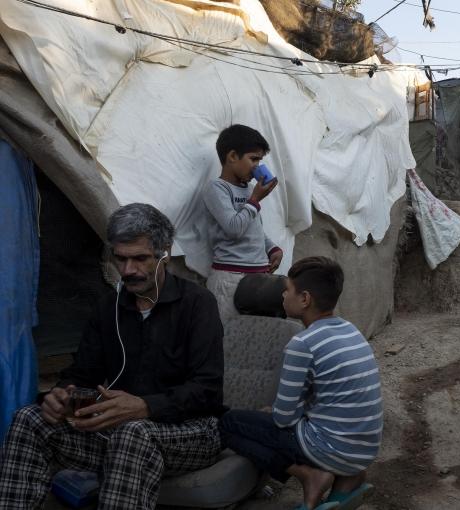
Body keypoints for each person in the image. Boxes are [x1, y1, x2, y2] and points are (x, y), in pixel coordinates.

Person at [0, 203, 226, 509]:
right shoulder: (109, 307)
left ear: (165, 254)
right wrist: (60, 395)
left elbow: (207, 391)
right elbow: (82, 374)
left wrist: (146, 406)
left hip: (192, 433)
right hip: (121, 431)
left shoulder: (197, 304)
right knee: (30, 419)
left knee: (132, 433)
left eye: (140, 259)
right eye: (120, 259)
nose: (129, 270)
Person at [220, 256, 381, 510]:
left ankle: (308, 475)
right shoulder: (351, 330)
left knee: (227, 423)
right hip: (364, 449)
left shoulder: (303, 344)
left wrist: (274, 412)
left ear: (305, 299)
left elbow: (283, 420)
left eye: (287, 290)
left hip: (331, 448)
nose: (283, 295)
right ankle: (346, 477)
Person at [202, 124, 282, 321]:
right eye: (253, 159)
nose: (257, 166)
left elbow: (254, 228)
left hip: (259, 276)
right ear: (232, 157)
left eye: (260, 160)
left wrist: (272, 249)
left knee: (257, 334)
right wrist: (254, 200)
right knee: (228, 335)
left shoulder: (248, 189)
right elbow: (233, 228)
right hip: (230, 278)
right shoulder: (217, 188)